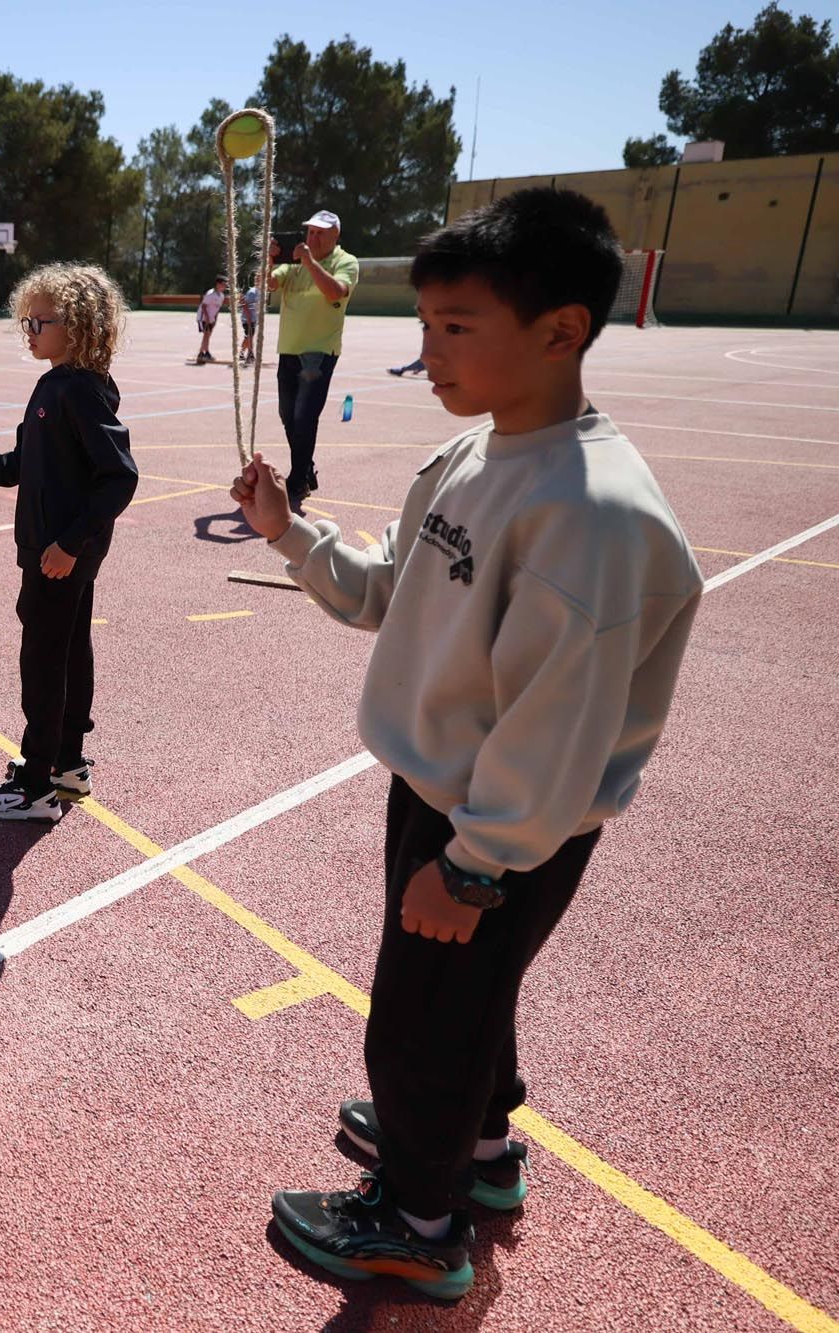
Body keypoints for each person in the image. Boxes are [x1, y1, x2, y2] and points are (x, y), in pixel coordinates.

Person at [233, 187, 703, 1300]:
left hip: (494, 822)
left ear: (559, 330)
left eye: (456, 327)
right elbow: (386, 591)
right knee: (458, 1010)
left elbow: (556, 727)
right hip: (445, 790)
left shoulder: (589, 514)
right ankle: (475, 1153)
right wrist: (290, 535)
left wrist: (471, 864)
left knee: (416, 1027)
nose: (427, 353)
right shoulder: (473, 456)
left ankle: (416, 1219)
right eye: (424, 325)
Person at [0, 264, 137, 821]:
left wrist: (67, 543)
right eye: (26, 321)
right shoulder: (60, 386)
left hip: (59, 555)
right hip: (60, 552)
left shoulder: (74, 391)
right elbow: (18, 465)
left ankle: (36, 786)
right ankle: (66, 763)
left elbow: (120, 476)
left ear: (78, 325)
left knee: (42, 662)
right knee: (67, 652)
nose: (29, 331)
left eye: (40, 321)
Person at [269, 210, 360, 510]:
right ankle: (305, 468)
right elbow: (269, 283)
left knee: (304, 416)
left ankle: (298, 480)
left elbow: (335, 291)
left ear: (336, 235)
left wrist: (308, 261)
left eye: (320, 232)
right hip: (289, 348)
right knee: (287, 413)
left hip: (319, 352)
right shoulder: (294, 263)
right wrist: (269, 259)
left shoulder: (345, 262)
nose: (313, 237)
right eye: (310, 232)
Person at [195, 275, 228, 363]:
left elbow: (217, 309)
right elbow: (204, 306)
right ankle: (203, 353)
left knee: (208, 335)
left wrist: (215, 319)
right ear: (218, 284)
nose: (225, 287)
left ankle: (204, 352)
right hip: (204, 318)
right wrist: (207, 318)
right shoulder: (210, 294)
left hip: (211, 318)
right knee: (206, 334)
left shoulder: (221, 296)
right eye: (223, 284)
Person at [239, 281, 262, 364]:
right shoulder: (252, 292)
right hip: (248, 319)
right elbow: (244, 303)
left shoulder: (260, 292)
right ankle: (250, 354)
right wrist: (248, 318)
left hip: (253, 318)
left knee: (248, 337)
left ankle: (241, 353)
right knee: (250, 337)